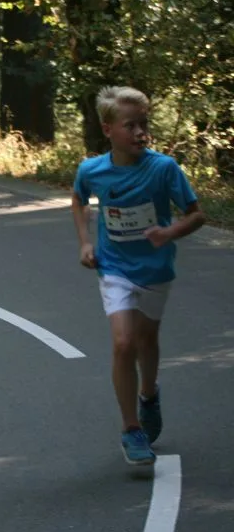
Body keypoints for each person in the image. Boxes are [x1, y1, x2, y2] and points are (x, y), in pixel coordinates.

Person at [71, 86, 206, 466]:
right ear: (108, 129)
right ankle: (132, 429)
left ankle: (148, 395)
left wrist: (169, 232)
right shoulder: (92, 171)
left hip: (156, 270)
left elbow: (197, 214)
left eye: (143, 124)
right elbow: (78, 200)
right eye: (130, 125)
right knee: (123, 343)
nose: (140, 132)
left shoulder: (164, 168)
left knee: (147, 340)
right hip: (114, 268)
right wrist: (85, 243)